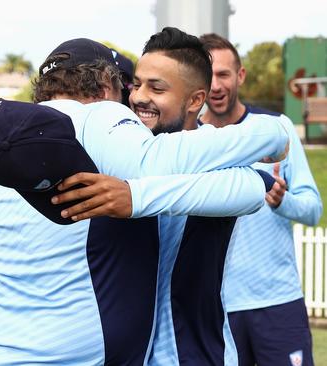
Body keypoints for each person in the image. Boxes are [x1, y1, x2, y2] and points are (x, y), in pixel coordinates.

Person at [0, 38, 288, 365]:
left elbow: (251, 189)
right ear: (107, 86)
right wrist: (277, 133)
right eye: (131, 87)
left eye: (153, 87)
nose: (135, 99)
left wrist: (133, 197)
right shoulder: (100, 122)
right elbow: (244, 180)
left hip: (3, 350)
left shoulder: (11, 148)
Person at [200, 33, 322, 366]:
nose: (215, 85)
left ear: (240, 76)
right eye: (207, 75)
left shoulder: (275, 128)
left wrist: (283, 201)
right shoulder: (189, 139)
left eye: (223, 74)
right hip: (214, 307)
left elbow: (313, 210)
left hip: (277, 302)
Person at [128, 26, 244, 365]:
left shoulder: (223, 161)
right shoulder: (121, 150)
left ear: (196, 100)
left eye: (156, 87)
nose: (138, 96)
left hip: (194, 355)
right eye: (137, 84)